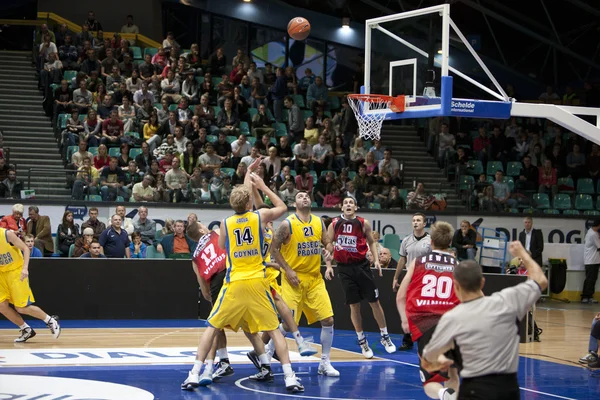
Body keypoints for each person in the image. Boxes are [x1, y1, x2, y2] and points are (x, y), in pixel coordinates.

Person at [181, 158, 304, 392]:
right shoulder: (259, 217)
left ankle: (194, 373)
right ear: (249, 202)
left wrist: (247, 177)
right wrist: (263, 186)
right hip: (258, 281)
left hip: (234, 282)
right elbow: (282, 208)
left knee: (212, 327)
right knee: (274, 330)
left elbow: (224, 246)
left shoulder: (226, 224)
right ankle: (289, 376)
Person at [421, 241, 548, 400]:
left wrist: (440, 361)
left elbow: (428, 358)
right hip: (508, 389)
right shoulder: (507, 301)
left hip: (475, 389)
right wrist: (523, 254)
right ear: (482, 283)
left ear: (456, 286)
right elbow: (541, 281)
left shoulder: (453, 318)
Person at [268, 191, 339, 376]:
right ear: (294, 203)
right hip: (293, 279)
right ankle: (266, 354)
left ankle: (325, 362)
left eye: (307, 195)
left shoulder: (318, 222)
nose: (304, 197)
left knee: (329, 319)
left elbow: (327, 242)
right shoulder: (287, 224)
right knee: (288, 323)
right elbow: (273, 249)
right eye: (300, 196)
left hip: (315, 279)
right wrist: (288, 270)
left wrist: (330, 250)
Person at [326, 196, 396, 358]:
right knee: (354, 306)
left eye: (351, 203)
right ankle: (362, 341)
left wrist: (377, 261)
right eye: (346, 203)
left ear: (355, 208)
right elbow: (328, 246)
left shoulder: (363, 223)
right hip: (344, 268)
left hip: (362, 266)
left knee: (374, 302)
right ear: (341, 208)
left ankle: (385, 336)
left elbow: (371, 242)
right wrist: (329, 265)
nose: (348, 204)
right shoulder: (334, 224)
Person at [397, 221, 460, 400]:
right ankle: (450, 396)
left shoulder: (418, 262)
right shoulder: (456, 264)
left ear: (430, 241)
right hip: (451, 324)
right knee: (453, 374)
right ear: (449, 243)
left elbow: (400, 296)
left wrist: (404, 320)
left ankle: (442, 394)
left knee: (429, 382)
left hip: (425, 325)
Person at [0, 226, 61, 342]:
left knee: (21, 307)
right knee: (1, 306)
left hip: (16, 272)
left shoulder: (7, 234)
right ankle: (26, 329)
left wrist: (25, 268)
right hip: (1, 274)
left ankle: (51, 321)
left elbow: (25, 249)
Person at [392, 213, 432, 351]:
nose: (415, 223)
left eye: (419, 220)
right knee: (408, 309)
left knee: (425, 310)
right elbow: (402, 260)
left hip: (426, 279)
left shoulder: (430, 240)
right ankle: (407, 340)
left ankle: (425, 339)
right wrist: (396, 277)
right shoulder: (406, 240)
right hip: (410, 278)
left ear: (424, 223)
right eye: (414, 220)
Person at [582, 220, 600, 304]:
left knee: (591, 279)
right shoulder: (593, 234)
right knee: (590, 279)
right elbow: (599, 246)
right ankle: (586, 296)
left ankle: (588, 296)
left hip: (593, 260)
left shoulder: (590, 231)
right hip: (591, 260)